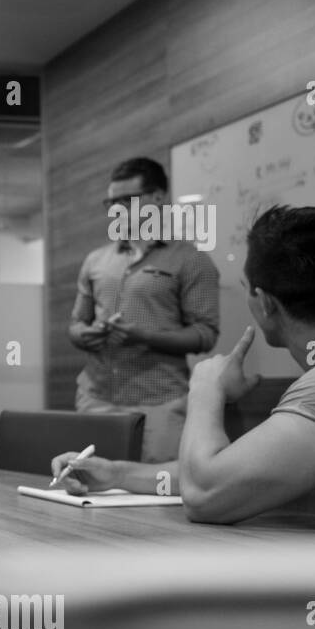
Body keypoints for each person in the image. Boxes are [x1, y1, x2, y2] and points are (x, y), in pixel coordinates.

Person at [53, 205, 315, 524]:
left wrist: (205, 388)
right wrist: (117, 474)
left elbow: (205, 494)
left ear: (265, 303)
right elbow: (243, 471)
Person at [68, 157, 220, 462]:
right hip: (96, 398)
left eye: (126, 200)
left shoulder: (191, 260)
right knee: (89, 494)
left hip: (159, 403)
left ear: (158, 198)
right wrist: (86, 335)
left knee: (157, 499)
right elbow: (76, 324)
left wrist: (143, 336)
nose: (116, 210)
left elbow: (205, 335)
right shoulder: (95, 260)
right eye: (111, 202)